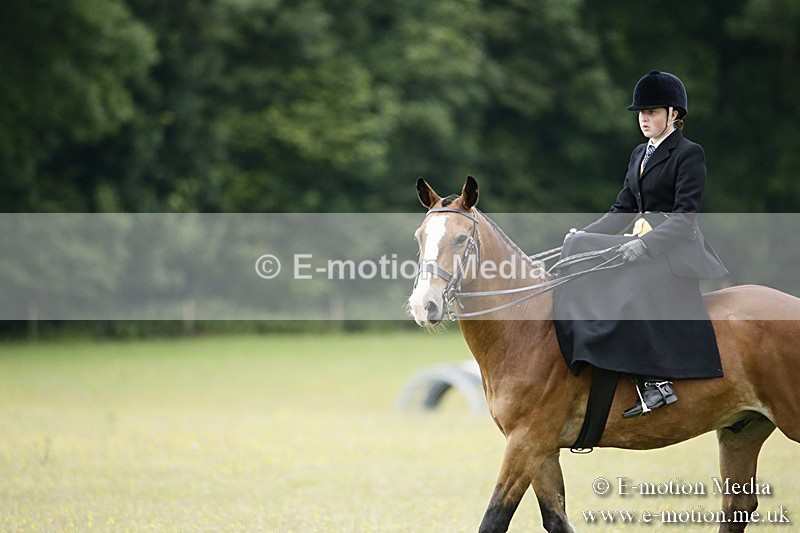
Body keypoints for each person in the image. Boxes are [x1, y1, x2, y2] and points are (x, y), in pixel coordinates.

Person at [573, 70, 728, 419]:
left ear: (674, 115)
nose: (644, 118)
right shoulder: (638, 154)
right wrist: (583, 238)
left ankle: (657, 382)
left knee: (626, 290)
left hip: (674, 252)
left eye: (653, 112)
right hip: (640, 243)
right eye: (641, 113)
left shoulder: (688, 153)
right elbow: (622, 209)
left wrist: (645, 246)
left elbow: (685, 217)